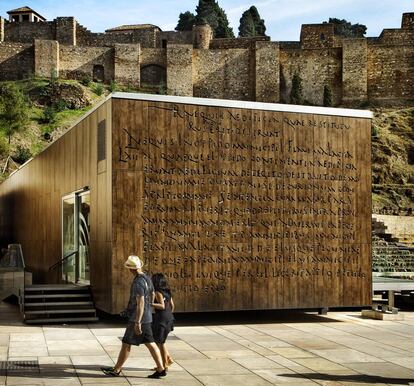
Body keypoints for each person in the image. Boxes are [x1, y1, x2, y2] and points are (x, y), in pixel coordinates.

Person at [101, 255, 166, 378]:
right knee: (150, 343)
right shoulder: (147, 278)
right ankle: (161, 369)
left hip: (137, 318)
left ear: (130, 269)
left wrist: (137, 322)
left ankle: (116, 370)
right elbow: (152, 294)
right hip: (147, 316)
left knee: (126, 343)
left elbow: (140, 302)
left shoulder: (138, 282)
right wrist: (149, 307)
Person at [151, 273, 175, 370]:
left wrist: (150, 304)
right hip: (169, 318)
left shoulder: (158, 292)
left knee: (160, 343)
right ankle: (168, 359)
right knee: (160, 342)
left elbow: (162, 306)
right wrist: (168, 315)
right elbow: (172, 306)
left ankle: (164, 365)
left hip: (161, 319)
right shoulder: (167, 292)